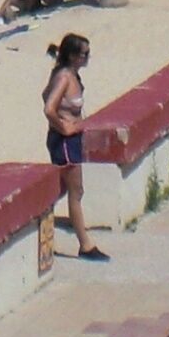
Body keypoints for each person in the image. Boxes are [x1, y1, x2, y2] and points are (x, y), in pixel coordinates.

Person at [41, 34, 108, 260]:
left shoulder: (66, 74)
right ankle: (85, 244)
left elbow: (45, 95)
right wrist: (64, 126)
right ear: (72, 55)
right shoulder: (64, 77)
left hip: (67, 139)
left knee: (60, 189)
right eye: (84, 54)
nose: (87, 57)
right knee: (76, 191)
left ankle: (38, 223)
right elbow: (49, 108)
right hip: (65, 141)